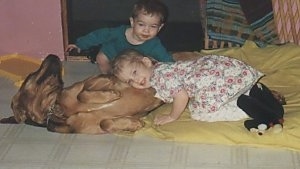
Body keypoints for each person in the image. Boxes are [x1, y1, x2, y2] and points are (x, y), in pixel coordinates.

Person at [111, 49, 285, 133]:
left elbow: (181, 94)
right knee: (219, 88)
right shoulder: (163, 68)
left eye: (135, 72)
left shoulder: (160, 79)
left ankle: (244, 106)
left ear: (146, 62)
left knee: (199, 112)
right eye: (130, 81)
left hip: (213, 81)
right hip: (225, 70)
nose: (137, 81)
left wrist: (172, 116)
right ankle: (255, 90)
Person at [66, 0, 174, 74]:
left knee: (141, 70)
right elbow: (99, 35)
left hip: (131, 61)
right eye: (141, 25)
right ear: (132, 22)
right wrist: (80, 44)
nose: (146, 30)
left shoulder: (154, 44)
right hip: (113, 54)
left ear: (159, 28)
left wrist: (175, 70)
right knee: (101, 58)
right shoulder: (119, 33)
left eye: (153, 26)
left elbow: (166, 59)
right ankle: (108, 76)